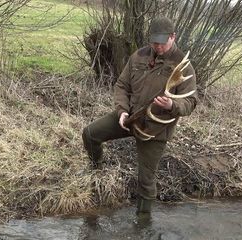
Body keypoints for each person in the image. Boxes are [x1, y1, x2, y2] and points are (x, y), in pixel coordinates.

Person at [82, 17, 197, 217]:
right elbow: (122, 85)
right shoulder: (139, 56)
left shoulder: (183, 66)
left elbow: (191, 102)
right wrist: (122, 111)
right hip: (129, 118)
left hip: (155, 129)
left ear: (173, 37)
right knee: (90, 134)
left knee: (145, 180)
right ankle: (96, 170)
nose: (157, 46)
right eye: (154, 42)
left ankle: (143, 224)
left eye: (162, 42)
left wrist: (172, 105)